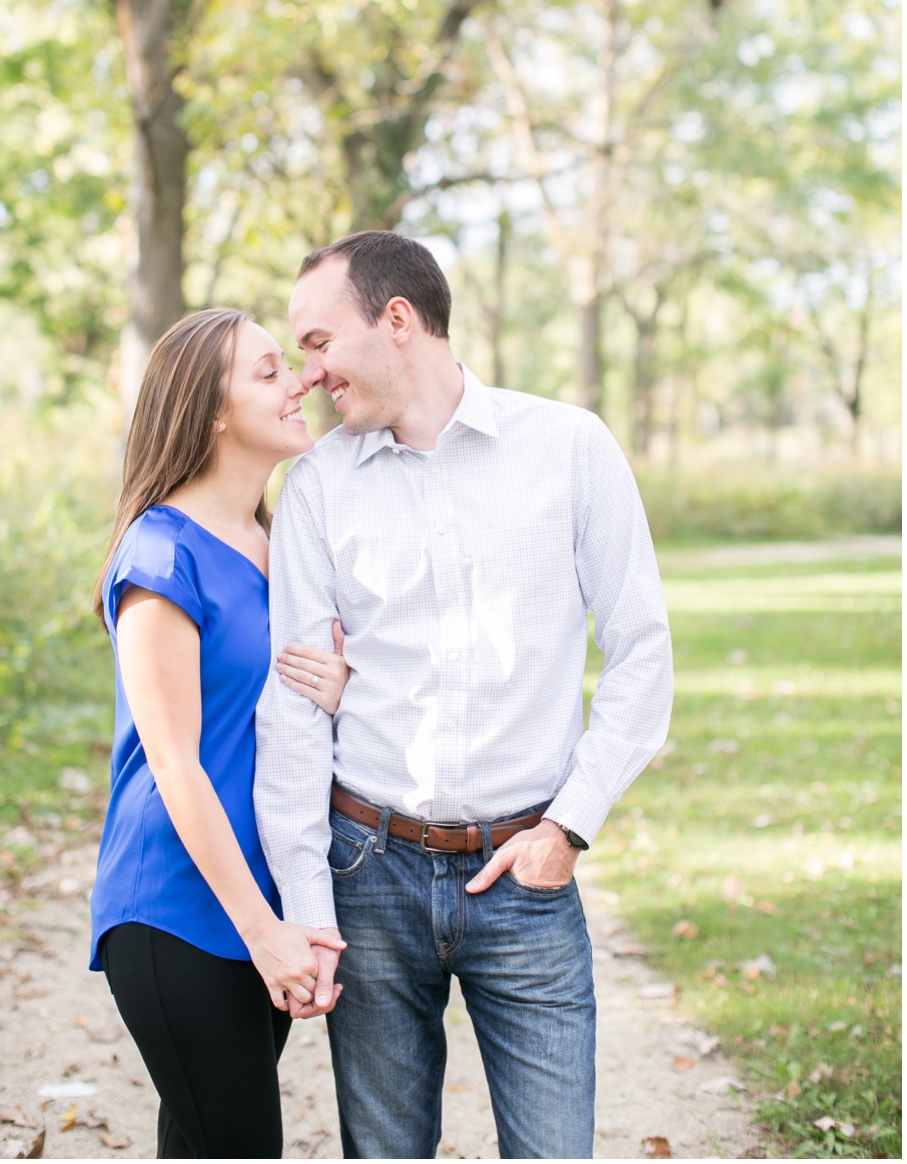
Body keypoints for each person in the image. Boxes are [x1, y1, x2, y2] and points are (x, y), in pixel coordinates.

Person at [256, 230, 675, 1159]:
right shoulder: (319, 486)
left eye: (320, 342)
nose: (310, 371)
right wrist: (309, 908)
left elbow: (643, 651)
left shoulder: (568, 448)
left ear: (397, 320)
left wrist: (568, 827)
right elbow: (291, 712)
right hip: (367, 873)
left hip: (523, 874)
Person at [88, 308, 355, 1158]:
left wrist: (347, 690)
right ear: (212, 409)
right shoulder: (161, 556)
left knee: (202, 1141)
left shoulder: (280, 541)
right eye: (270, 371)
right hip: (178, 911)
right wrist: (262, 931)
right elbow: (174, 764)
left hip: (261, 898)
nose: (300, 381)